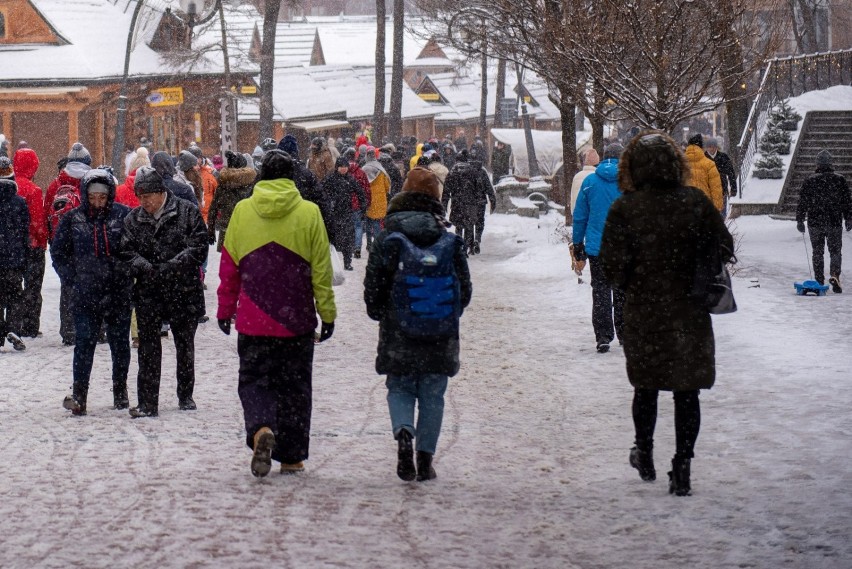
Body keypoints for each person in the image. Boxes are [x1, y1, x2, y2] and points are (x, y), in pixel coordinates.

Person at [599, 131, 734, 496]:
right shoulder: (694, 202)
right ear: (675, 165)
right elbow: (724, 244)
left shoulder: (625, 208)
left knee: (646, 386)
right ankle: (683, 463)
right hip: (689, 310)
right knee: (687, 391)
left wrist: (636, 277)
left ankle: (644, 451)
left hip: (645, 311)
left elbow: (611, 267)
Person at [217, 150, 336, 477]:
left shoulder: (242, 211)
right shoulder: (309, 213)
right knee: (295, 388)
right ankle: (292, 456)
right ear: (293, 177)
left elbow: (230, 268)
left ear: (260, 176)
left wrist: (225, 309)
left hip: (253, 320)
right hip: (296, 320)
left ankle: (261, 429)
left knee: (255, 381)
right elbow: (321, 271)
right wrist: (327, 313)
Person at [364, 166, 472, 481]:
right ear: (436, 198)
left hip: (399, 329)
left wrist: (380, 311)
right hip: (439, 331)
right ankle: (425, 459)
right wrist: (445, 313)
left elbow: (374, 286)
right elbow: (464, 291)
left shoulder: (389, 236)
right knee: (433, 393)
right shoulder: (448, 238)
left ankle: (403, 435)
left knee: (399, 386)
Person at [120, 166, 209, 417]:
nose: (144, 202)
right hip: (149, 291)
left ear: (162, 193)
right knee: (148, 348)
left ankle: (185, 395)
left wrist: (173, 266)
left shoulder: (187, 212)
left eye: (148, 196)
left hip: (184, 289)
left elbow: (199, 247)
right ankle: (148, 402)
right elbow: (125, 252)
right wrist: (145, 267)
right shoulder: (133, 219)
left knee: (184, 344)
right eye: (140, 197)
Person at [52, 169, 133, 415]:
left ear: (110, 196)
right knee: (84, 343)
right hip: (85, 293)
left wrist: (124, 271)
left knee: (120, 344)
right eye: (93, 197)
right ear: (86, 196)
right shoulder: (72, 219)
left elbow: (134, 248)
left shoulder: (123, 216)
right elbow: (58, 253)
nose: (98, 202)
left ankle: (120, 390)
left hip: (117, 292)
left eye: (103, 197)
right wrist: (72, 278)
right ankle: (80, 394)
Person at [572, 144, 625, 353]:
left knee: (601, 291)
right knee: (623, 292)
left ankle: (603, 336)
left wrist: (578, 245)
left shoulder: (589, 182)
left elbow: (580, 217)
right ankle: (625, 333)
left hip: (598, 248)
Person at [45, 144, 91, 346]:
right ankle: (91, 328)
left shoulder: (56, 184)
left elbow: (47, 213)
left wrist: (52, 240)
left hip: (62, 242)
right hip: (86, 242)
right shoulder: (91, 181)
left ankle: (68, 329)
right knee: (91, 285)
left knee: (68, 285)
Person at [796, 149, 852, 293]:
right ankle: (834, 275)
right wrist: (848, 218)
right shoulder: (839, 180)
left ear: (817, 164)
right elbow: (847, 202)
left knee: (817, 252)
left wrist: (800, 220)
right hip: (834, 221)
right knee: (835, 252)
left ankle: (819, 280)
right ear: (830, 163)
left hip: (815, 222)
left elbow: (802, 202)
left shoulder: (810, 180)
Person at [12, 148, 48, 338]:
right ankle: (30, 325)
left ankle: (14, 323)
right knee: (33, 287)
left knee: (14, 286)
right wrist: (42, 241)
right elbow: (37, 221)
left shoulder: (10, 185)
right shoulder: (33, 190)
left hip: (12, 246)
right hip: (32, 245)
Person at [0, 159, 29, 352]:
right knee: (15, 296)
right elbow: (24, 232)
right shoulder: (20, 202)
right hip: (13, 259)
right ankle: (13, 328)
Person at [207, 151, 256, 251]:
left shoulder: (223, 184)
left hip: (227, 229)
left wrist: (211, 229)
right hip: (248, 229)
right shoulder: (251, 182)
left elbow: (213, 208)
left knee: (228, 262)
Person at [324, 157, 367, 270]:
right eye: (341, 167)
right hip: (333, 213)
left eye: (345, 167)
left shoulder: (350, 179)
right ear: (337, 167)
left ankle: (347, 262)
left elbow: (360, 192)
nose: (343, 169)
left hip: (347, 212)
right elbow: (321, 192)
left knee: (347, 238)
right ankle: (329, 263)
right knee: (331, 239)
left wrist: (363, 206)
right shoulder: (330, 179)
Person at [442, 150, 481, 255]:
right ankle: (467, 247)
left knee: (459, 226)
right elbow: (479, 188)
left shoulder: (452, 172)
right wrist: (477, 201)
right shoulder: (473, 171)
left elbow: (446, 190)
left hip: (457, 202)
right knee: (469, 226)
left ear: (456, 160)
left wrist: (444, 204)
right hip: (470, 202)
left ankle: (459, 247)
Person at [683, 134, 724, 213]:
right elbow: (715, 188)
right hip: (705, 206)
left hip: (686, 206)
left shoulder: (681, 164)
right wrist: (717, 207)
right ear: (701, 147)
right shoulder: (709, 164)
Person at [362, 148, 391, 251]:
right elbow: (387, 186)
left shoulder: (364, 169)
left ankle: (369, 244)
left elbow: (361, 185)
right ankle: (378, 243)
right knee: (377, 223)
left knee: (368, 223)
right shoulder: (381, 169)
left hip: (367, 199)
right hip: (380, 200)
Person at [345, 148, 371, 259]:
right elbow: (367, 188)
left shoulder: (343, 172)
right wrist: (367, 202)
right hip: (358, 203)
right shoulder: (361, 172)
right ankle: (357, 248)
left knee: (347, 225)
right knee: (358, 226)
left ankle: (348, 247)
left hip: (345, 203)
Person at [470, 150, 497, 254]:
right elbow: (488, 188)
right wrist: (492, 200)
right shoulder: (482, 171)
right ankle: (477, 238)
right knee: (480, 222)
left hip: (469, 201)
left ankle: (471, 243)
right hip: (480, 201)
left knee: (470, 223)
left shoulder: (467, 171)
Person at [570, 148, 600, 214]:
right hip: (591, 218)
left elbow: (573, 199)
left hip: (578, 216)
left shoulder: (577, 176)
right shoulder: (598, 177)